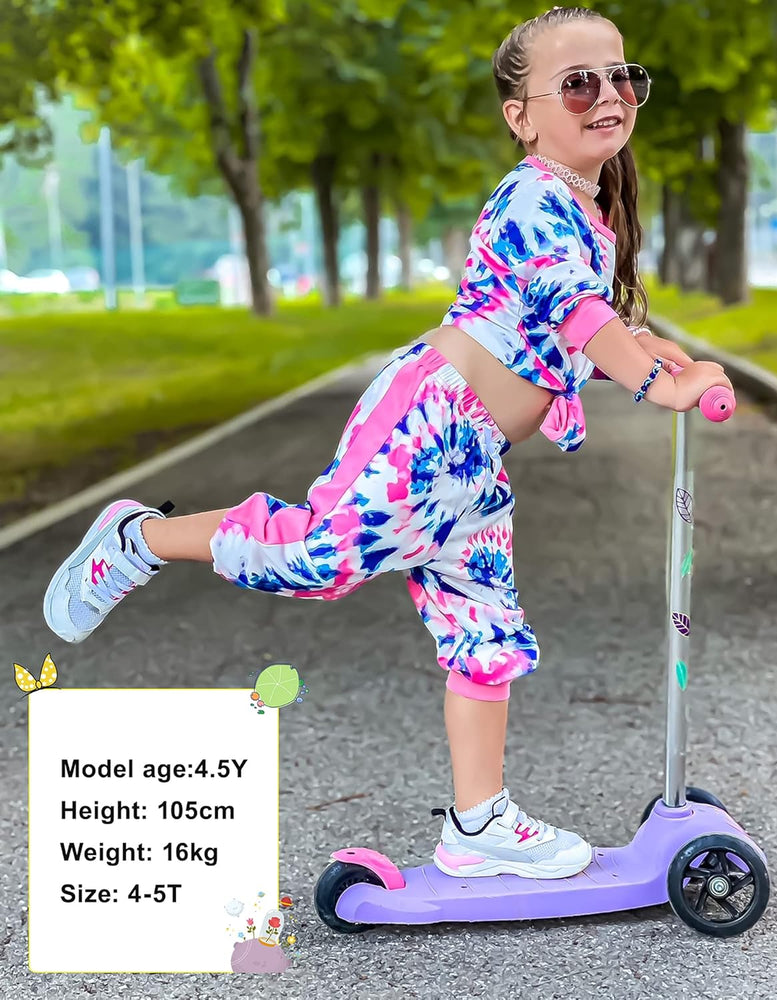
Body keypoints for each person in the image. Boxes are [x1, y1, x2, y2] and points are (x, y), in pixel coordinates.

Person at [43, 5, 733, 881]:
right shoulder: (531, 196)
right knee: (320, 558)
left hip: (473, 462)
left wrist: (650, 355)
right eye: (577, 82)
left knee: (484, 629)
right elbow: (572, 309)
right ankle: (135, 537)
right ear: (520, 114)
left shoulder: (585, 209)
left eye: (621, 77)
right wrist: (650, 377)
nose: (608, 95)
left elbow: (544, 336)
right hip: (425, 424)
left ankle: (478, 824)